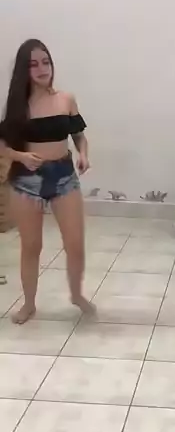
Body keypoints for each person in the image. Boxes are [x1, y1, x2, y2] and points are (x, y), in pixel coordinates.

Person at [0, 39, 94, 323]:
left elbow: (79, 135)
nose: (42, 69)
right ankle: (29, 304)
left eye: (46, 62)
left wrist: (83, 154)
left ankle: (76, 294)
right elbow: (3, 145)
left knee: (75, 243)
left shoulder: (66, 99)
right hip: (27, 181)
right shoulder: (18, 106)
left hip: (64, 176)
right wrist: (20, 156)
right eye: (33, 64)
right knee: (31, 246)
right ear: (24, 70)